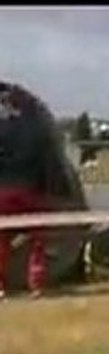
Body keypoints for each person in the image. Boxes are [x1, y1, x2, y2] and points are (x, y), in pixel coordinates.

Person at [0, 89, 48, 300]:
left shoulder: (2, 129)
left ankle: (0, 286)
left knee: (1, 240)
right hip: (30, 190)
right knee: (37, 240)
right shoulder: (35, 130)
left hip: (4, 191)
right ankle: (36, 284)